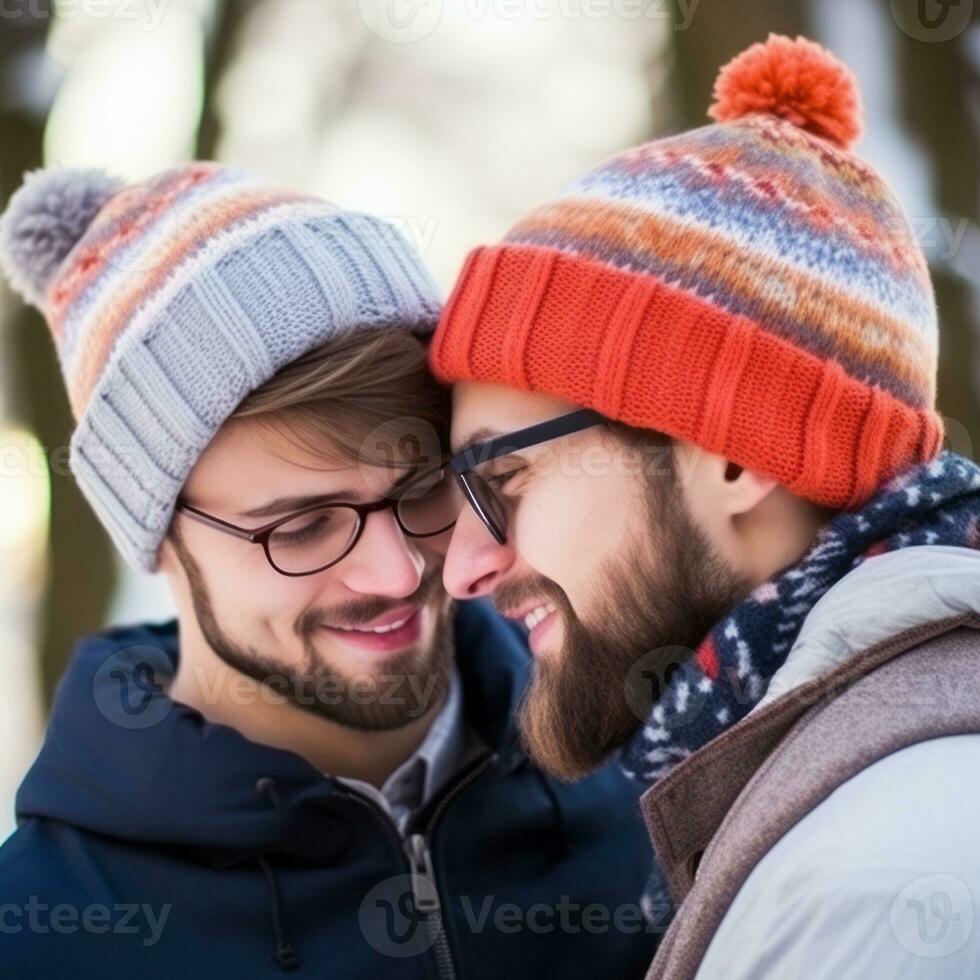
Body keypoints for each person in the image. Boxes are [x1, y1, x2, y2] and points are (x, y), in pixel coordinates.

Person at [0, 163, 657, 978]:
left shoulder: (648, 777)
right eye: (303, 529)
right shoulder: (40, 937)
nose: (394, 573)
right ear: (160, 535)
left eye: (424, 490)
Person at [429, 34, 980, 978]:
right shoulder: (819, 800)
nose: (464, 567)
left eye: (504, 481)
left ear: (730, 452)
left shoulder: (875, 884)